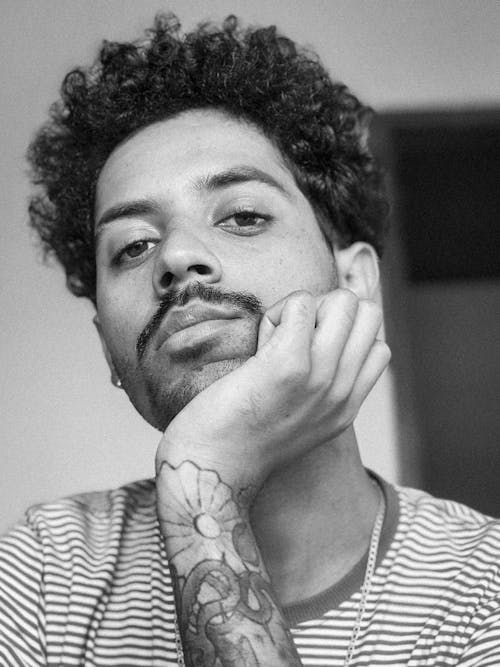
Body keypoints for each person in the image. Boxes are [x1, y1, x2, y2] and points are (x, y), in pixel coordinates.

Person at [1, 13, 499, 667]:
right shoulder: (46, 571)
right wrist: (207, 477)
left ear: (355, 280)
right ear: (107, 346)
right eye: (132, 246)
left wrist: (203, 476)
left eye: (243, 215)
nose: (176, 256)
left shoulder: (482, 589)